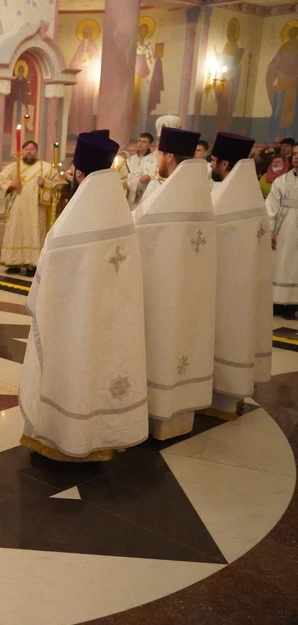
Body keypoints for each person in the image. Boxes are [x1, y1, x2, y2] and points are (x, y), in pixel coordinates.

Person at [20, 132, 149, 462]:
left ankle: (64, 437)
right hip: (112, 318)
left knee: (74, 368)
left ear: (79, 173)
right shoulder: (121, 213)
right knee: (100, 364)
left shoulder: (71, 225)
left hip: (73, 322)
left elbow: (47, 278)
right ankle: (100, 437)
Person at [132, 126, 216, 440]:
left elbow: (137, 225)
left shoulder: (165, 192)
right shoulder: (199, 189)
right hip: (192, 290)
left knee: (163, 343)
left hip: (163, 291)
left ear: (167, 155)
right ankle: (182, 414)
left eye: (160, 156)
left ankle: (157, 416)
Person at [208, 132, 272, 418]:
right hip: (246, 288)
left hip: (225, 288)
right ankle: (234, 397)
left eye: (212, 161)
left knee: (225, 333)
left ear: (224, 162)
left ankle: (220, 398)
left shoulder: (225, 199)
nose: (211, 166)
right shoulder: (250, 195)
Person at [0, 140, 60, 274]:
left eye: (32, 149)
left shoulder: (46, 167)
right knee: (16, 231)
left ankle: (33, 264)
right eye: (26, 149)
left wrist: (46, 183)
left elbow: (57, 183)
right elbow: (2, 180)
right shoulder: (14, 167)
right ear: (22, 151)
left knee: (34, 232)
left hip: (36, 208)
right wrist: (11, 185)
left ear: (36, 151)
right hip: (18, 206)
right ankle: (13, 262)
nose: (29, 152)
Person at [267, 147, 298, 319]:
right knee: (282, 264)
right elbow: (272, 205)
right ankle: (277, 302)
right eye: (294, 154)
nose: (296, 158)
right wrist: (270, 230)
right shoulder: (281, 180)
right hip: (284, 227)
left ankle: (293, 303)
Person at [126, 132, 158, 208]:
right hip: (129, 195)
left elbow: (152, 177)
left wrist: (147, 178)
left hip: (143, 196)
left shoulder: (153, 160)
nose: (140, 144)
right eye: (139, 141)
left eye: (144, 142)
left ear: (149, 145)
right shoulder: (131, 159)